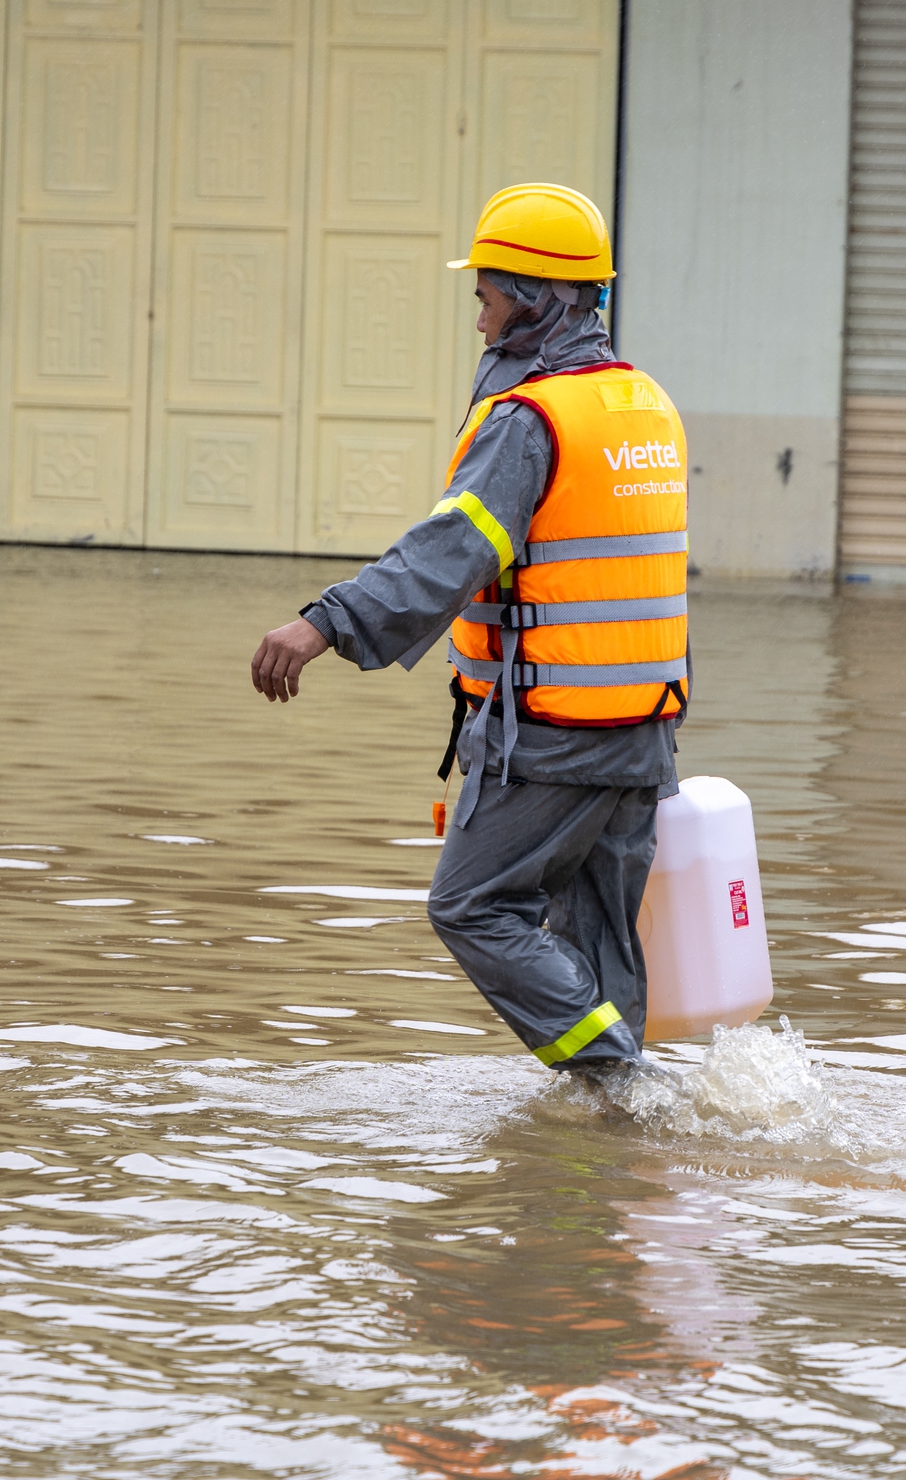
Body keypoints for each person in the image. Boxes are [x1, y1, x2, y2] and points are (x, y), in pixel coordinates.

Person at [251, 184, 687, 1074]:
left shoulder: (530, 422)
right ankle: (607, 1164)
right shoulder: (643, 404)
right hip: (644, 731)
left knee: (471, 907)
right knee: (600, 943)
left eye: (486, 300)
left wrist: (325, 623)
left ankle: (625, 1084)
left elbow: (452, 552)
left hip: (555, 736)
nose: (479, 323)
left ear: (531, 302)